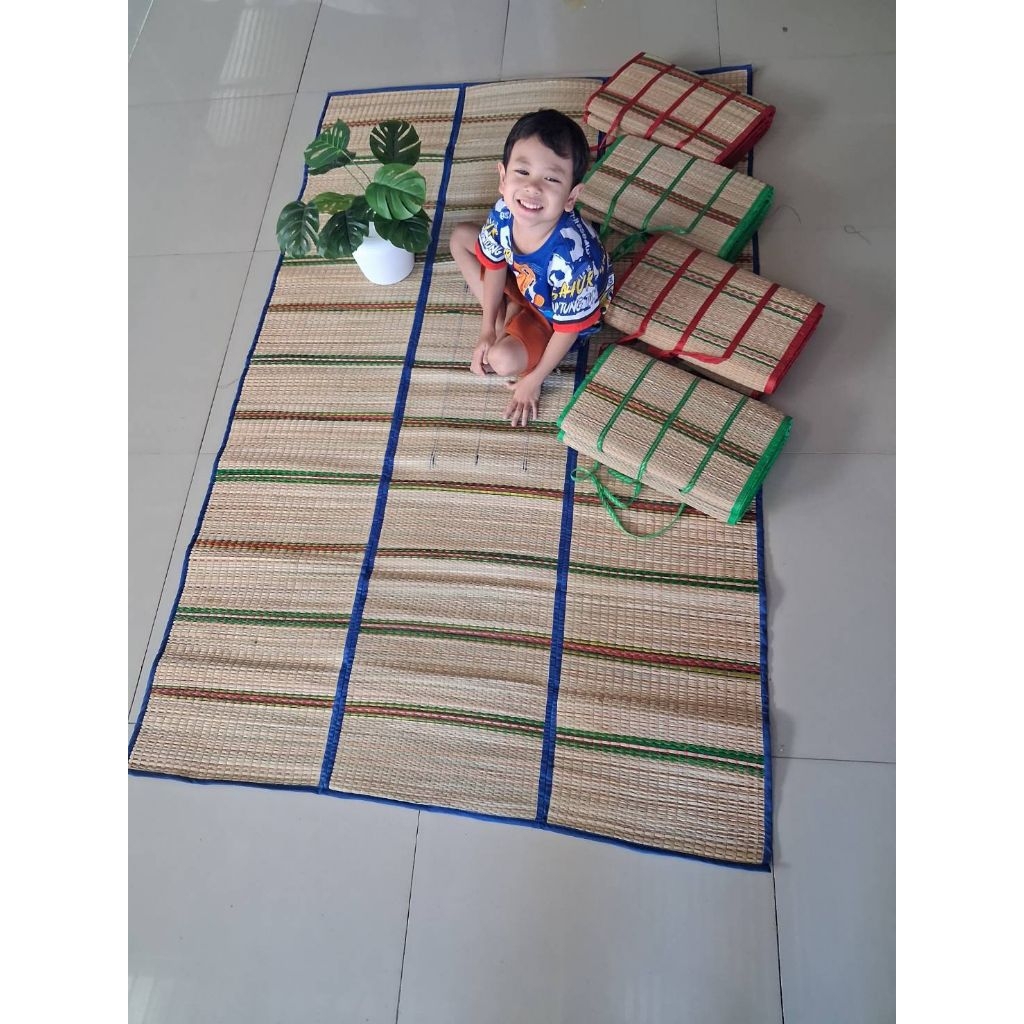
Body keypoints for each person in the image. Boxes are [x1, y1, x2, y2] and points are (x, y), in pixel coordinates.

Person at [448, 109, 614, 427]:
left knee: (500, 359)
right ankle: (507, 318)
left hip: (554, 317)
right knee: (460, 238)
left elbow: (569, 330)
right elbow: (495, 264)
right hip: (524, 280)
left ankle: (515, 322)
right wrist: (486, 330)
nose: (532, 187)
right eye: (522, 172)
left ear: (571, 196)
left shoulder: (573, 259)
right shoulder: (504, 211)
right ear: (503, 177)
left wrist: (534, 379)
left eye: (551, 179)